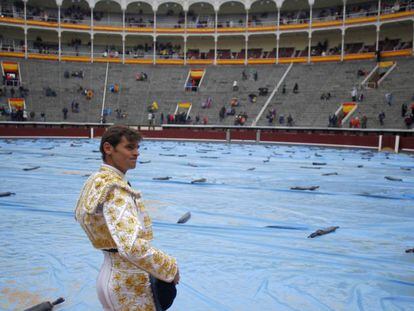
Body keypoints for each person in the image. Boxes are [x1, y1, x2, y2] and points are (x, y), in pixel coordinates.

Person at [75, 126, 180, 310]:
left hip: (110, 274)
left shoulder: (96, 180)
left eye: (137, 148)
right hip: (129, 282)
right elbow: (131, 246)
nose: (136, 153)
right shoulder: (115, 188)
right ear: (108, 149)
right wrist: (170, 267)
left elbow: (80, 216)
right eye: (130, 147)